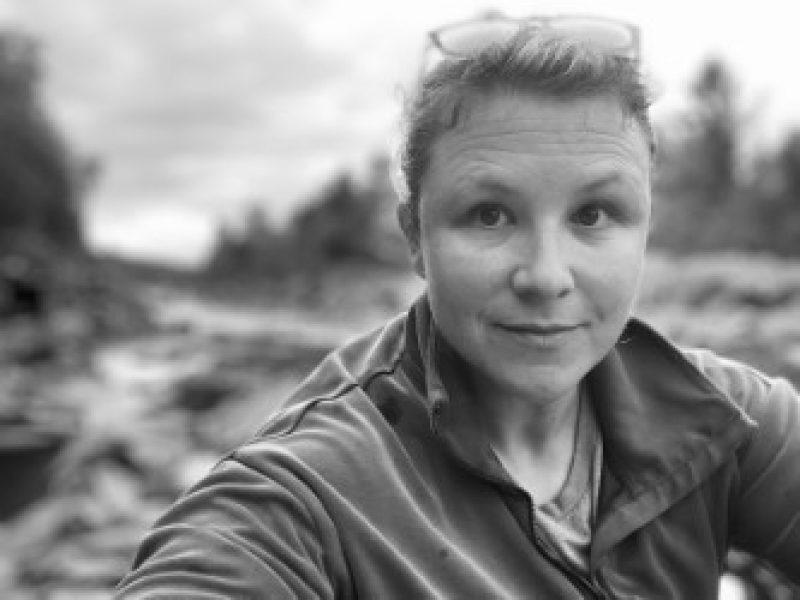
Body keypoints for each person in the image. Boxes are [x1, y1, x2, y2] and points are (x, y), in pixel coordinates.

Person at [116, 14, 800, 598]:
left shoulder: (720, 418)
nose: (546, 276)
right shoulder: (316, 491)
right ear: (416, 238)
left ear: (645, 227)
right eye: (490, 214)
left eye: (593, 213)